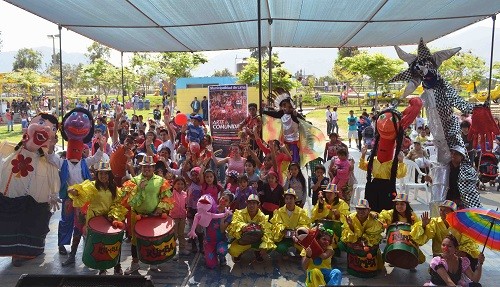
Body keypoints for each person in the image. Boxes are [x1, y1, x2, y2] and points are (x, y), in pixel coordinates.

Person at [0, 113, 61, 267]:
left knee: (31, 223)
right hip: (12, 196)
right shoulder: (13, 149)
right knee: (11, 223)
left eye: (52, 128)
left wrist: (54, 193)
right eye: (41, 122)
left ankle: (24, 252)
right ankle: (13, 251)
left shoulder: (47, 159)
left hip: (35, 200)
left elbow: (53, 174)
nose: (45, 127)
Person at [67, 161, 128, 275]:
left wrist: (113, 215)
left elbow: (117, 202)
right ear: (97, 174)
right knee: (100, 244)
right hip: (96, 220)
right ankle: (102, 268)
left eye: (106, 174)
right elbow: (83, 193)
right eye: (101, 174)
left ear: (109, 174)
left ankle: (117, 266)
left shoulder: (113, 187)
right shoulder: (92, 186)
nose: (103, 176)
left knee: (115, 243)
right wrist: (75, 192)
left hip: (111, 219)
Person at [121, 155, 175, 274]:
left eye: (149, 167)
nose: (147, 169)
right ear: (141, 167)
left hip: (154, 216)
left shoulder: (160, 180)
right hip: (138, 217)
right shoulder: (134, 181)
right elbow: (130, 201)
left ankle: (153, 262)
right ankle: (135, 264)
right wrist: (139, 189)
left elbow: (166, 197)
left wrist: (160, 208)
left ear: (153, 167)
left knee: (153, 239)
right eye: (144, 167)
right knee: (135, 241)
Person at [411, 200, 481, 271]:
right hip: (439, 259)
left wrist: (462, 251)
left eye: (445, 211)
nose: (442, 213)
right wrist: (423, 226)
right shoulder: (434, 222)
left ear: (453, 213)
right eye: (441, 210)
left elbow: (469, 243)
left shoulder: (460, 225)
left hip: (455, 259)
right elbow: (421, 240)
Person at [378, 193, 425, 271]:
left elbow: (418, 227)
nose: (399, 206)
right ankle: (393, 260)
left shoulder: (412, 215)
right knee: (391, 252)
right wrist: (377, 216)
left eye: (402, 204)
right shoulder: (390, 213)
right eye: (397, 204)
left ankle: (411, 264)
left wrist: (423, 224)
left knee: (415, 255)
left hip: (408, 241)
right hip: (394, 240)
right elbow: (381, 217)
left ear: (407, 205)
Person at [228, 194, 275, 263]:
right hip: (243, 240)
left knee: (269, 246)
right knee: (233, 251)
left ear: (258, 205)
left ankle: (257, 252)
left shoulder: (262, 216)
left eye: (254, 203)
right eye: (249, 203)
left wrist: (265, 247)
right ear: (246, 204)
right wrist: (242, 227)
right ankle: (240, 253)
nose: (251, 205)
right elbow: (234, 224)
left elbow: (267, 231)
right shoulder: (239, 213)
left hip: (256, 240)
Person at [270, 188, 311, 257]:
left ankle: (298, 251)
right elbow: (276, 224)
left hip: (297, 238)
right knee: (280, 248)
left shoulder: (301, 212)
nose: (289, 201)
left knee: (306, 249)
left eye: (291, 198)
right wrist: (282, 229)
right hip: (284, 237)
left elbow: (305, 225)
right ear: (284, 200)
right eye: (287, 198)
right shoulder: (279, 212)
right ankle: (285, 253)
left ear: (295, 199)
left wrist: (297, 231)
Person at [311, 183, 349, 253]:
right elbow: (315, 216)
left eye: (331, 193)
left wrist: (337, 215)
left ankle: (335, 247)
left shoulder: (342, 203)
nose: (328, 195)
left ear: (335, 194)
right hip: (323, 225)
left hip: (336, 227)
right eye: (327, 193)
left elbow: (345, 218)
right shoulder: (322, 201)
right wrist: (321, 205)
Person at [169, 177, 191, 260]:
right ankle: (173, 251)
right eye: (178, 184)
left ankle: (182, 249)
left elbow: (186, 205)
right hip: (173, 217)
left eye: (182, 184)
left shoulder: (185, 194)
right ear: (174, 184)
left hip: (182, 217)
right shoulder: (171, 193)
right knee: (173, 235)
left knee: (181, 234)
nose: (180, 186)